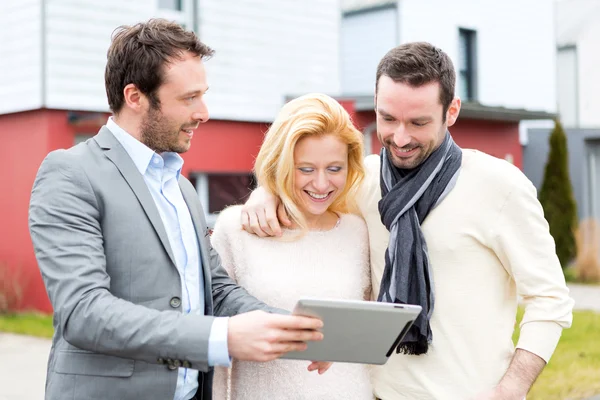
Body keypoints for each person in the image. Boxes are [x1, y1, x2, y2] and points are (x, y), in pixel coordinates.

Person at [240, 42, 574, 400]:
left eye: (418, 122)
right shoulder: (360, 181)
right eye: (388, 119)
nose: (400, 138)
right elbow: (310, 193)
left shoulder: (501, 187)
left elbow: (550, 298)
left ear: (452, 111)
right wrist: (267, 192)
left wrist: (513, 387)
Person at [28, 19, 327, 400]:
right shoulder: (70, 173)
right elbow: (84, 312)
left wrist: (291, 327)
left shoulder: (182, 187)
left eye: (203, 95)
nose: (203, 112)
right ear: (135, 97)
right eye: (189, 98)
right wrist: (222, 337)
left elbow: (213, 290)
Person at [210, 93, 373, 400]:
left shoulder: (358, 231)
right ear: (281, 164)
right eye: (306, 169)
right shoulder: (238, 229)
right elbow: (216, 340)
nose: (322, 184)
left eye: (335, 169)